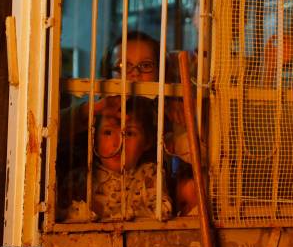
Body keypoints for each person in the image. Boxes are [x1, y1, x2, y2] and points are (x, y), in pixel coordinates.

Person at [58, 30, 198, 218]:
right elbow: (51, 131)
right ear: (107, 75)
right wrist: (92, 111)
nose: (134, 74)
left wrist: (175, 103)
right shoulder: (97, 117)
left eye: (146, 65)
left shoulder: (170, 113)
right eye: (122, 66)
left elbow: (197, 154)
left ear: (160, 73)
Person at [59, 96, 173, 221]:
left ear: (147, 142)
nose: (117, 143)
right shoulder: (79, 179)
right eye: (108, 132)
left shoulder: (150, 174)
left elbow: (163, 210)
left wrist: (126, 214)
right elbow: (59, 216)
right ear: (94, 140)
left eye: (129, 133)